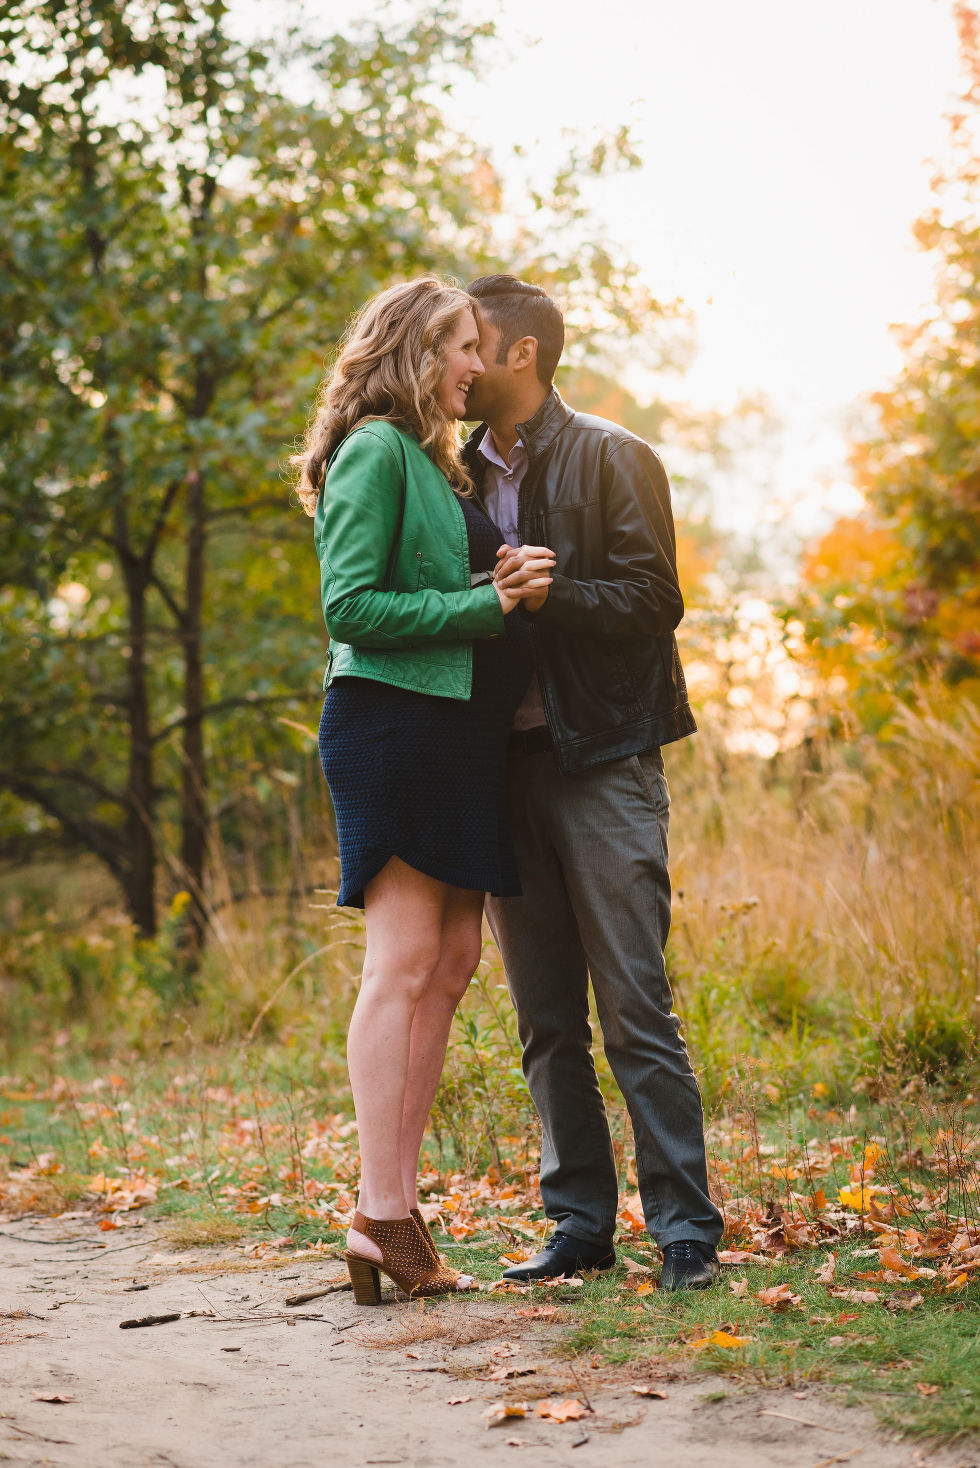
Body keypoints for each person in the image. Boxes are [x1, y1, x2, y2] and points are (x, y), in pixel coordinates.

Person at [292, 276, 554, 1305]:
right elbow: (350, 604)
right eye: (457, 345)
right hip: (391, 725)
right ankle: (380, 1210)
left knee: (447, 961)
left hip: (450, 734)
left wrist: (508, 585)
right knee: (403, 962)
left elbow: (445, 592)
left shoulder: (425, 462)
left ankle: (387, 1212)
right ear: (410, 349)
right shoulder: (372, 449)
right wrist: (484, 601)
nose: (474, 365)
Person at [462, 274, 724, 1290]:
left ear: (520, 352)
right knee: (541, 1022)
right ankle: (577, 1224)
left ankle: (684, 1232)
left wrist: (551, 590)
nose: (461, 360)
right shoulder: (451, 471)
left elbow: (655, 598)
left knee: (633, 1008)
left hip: (604, 763)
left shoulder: (616, 454)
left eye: (472, 340)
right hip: (502, 773)